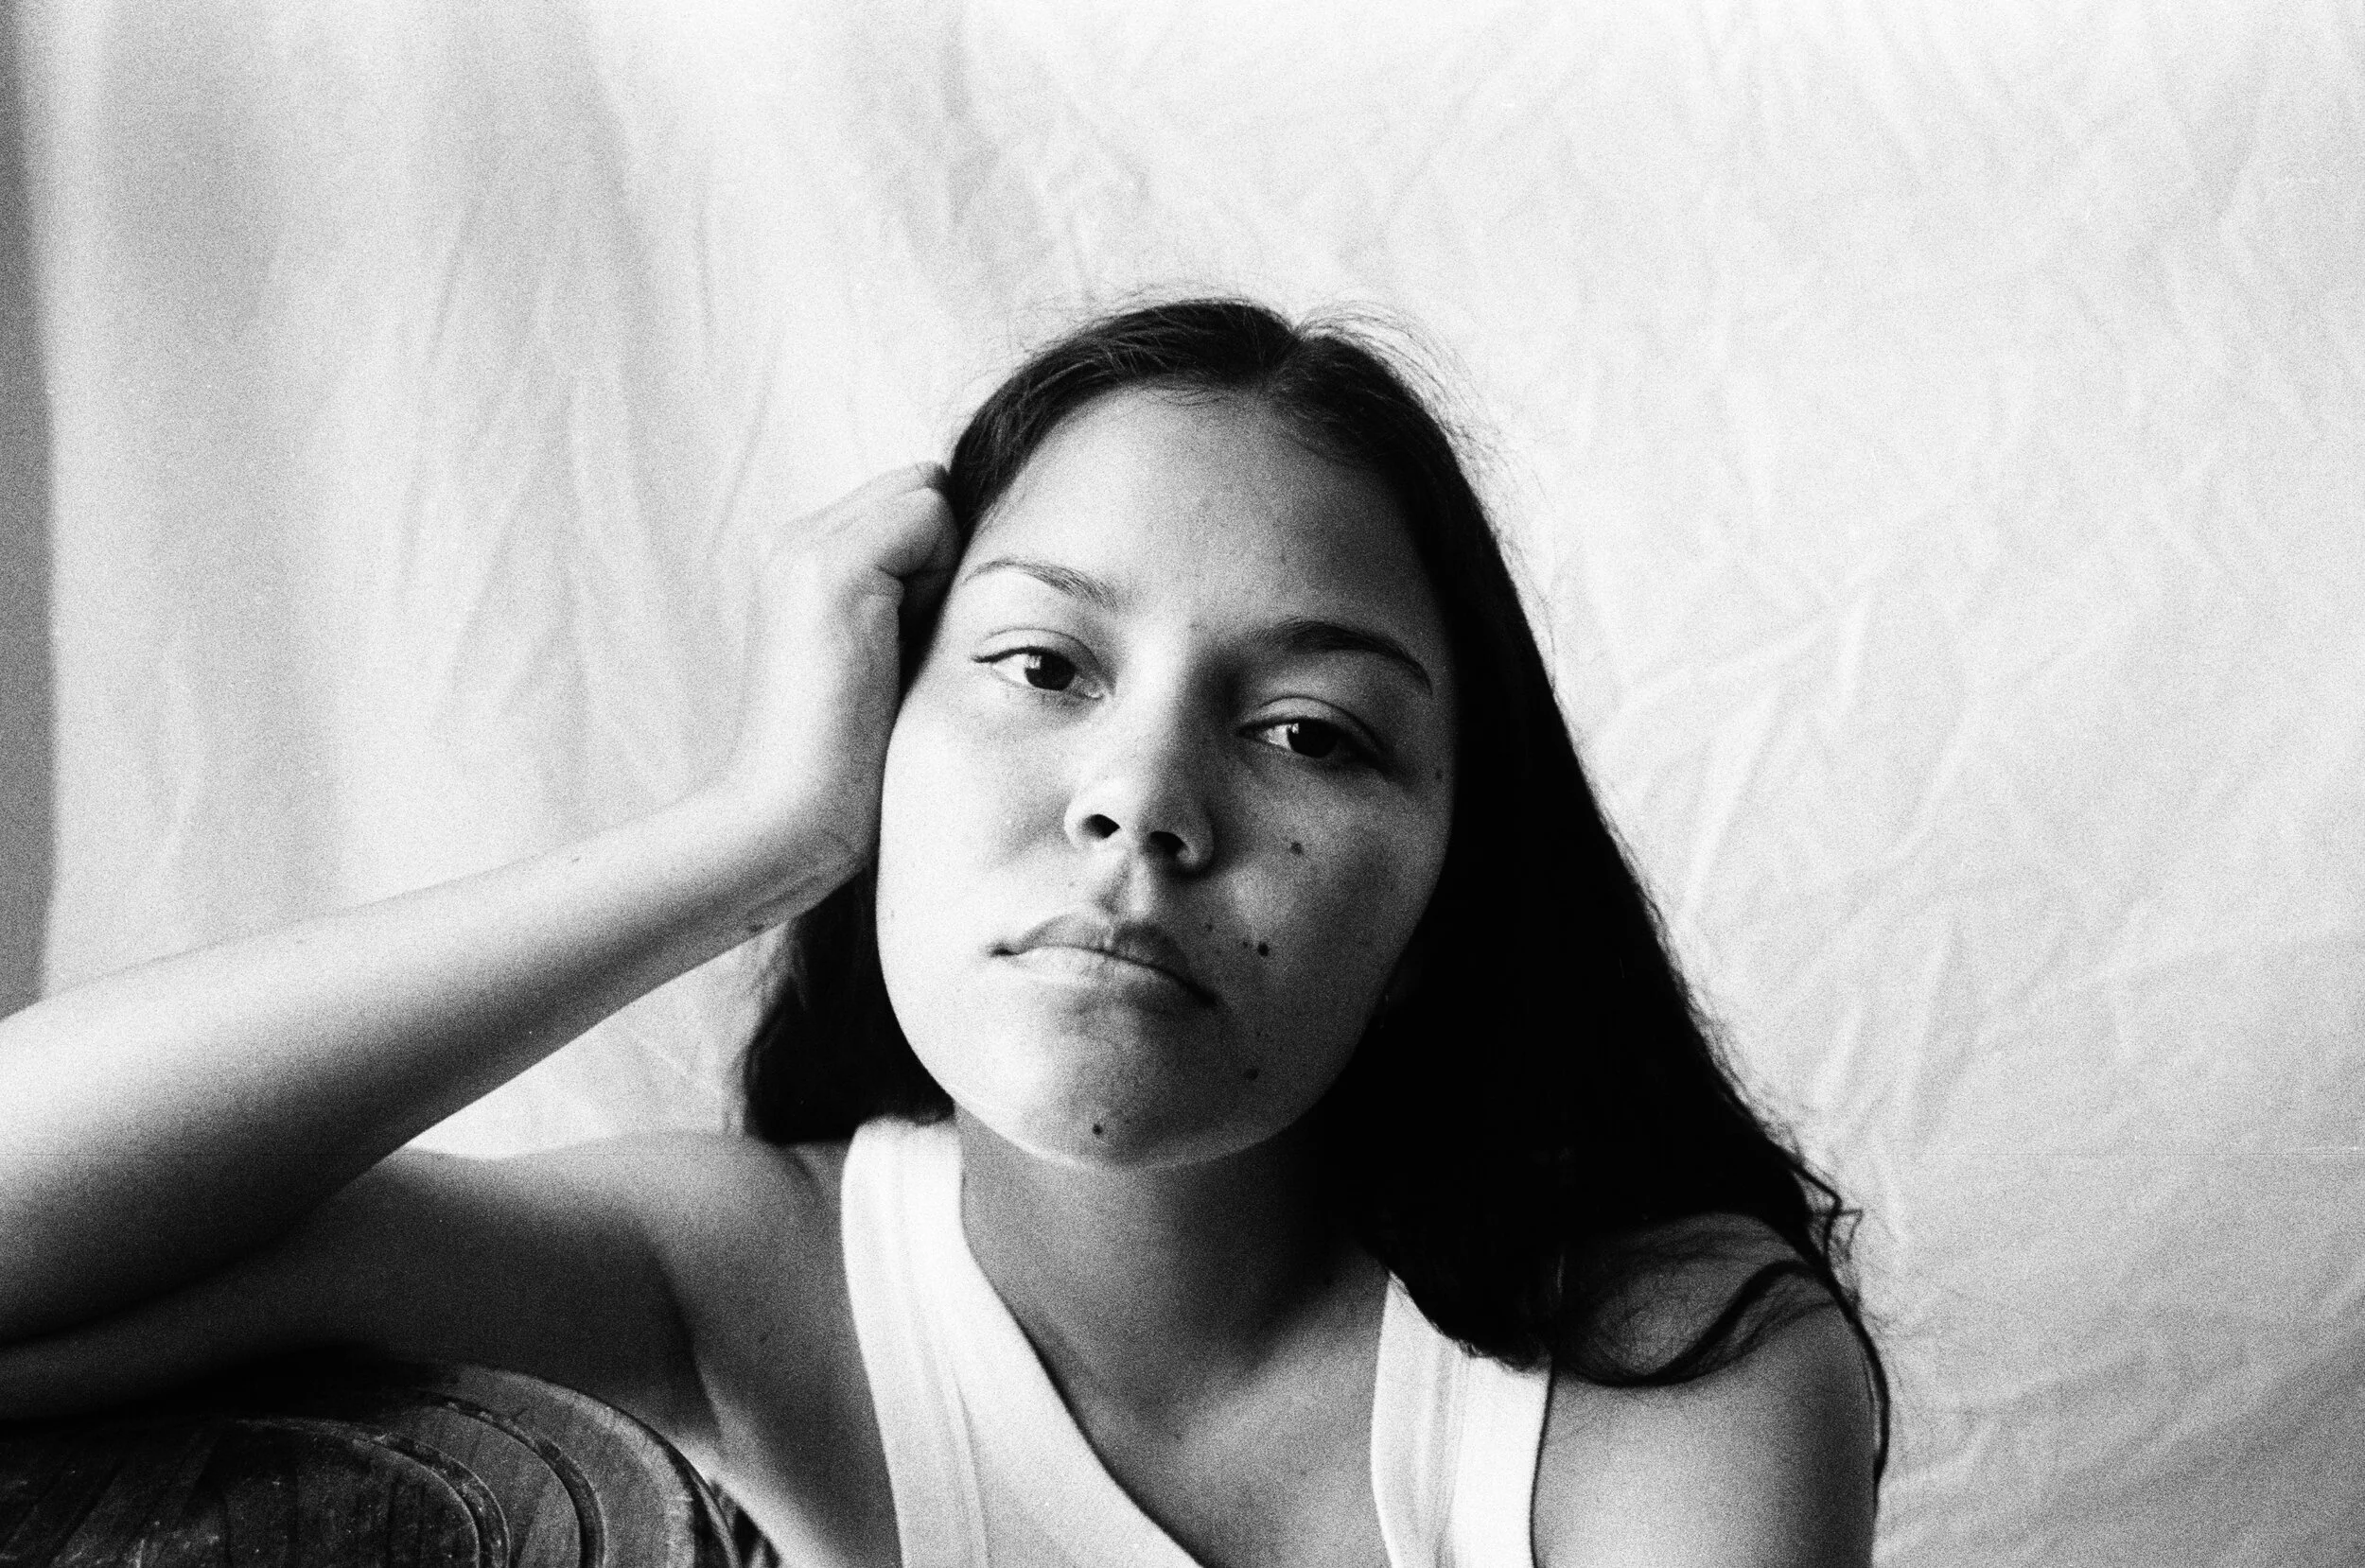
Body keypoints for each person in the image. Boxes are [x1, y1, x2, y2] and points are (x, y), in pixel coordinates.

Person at [0, 298, 1886, 1567]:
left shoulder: (1662, 1374)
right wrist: (752, 839)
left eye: (1310, 731)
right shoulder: (755, 1285)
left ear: (1441, 910)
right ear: (882, 736)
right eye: (1043, 664)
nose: (1139, 799)